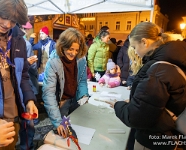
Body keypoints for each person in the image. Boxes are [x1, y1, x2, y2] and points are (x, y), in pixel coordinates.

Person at [106, 22, 186, 150]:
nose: (136, 52)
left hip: (153, 140)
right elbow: (154, 103)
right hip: (168, 136)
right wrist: (136, 101)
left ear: (144, 42)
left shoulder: (157, 71)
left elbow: (137, 117)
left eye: (134, 46)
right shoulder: (171, 61)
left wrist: (118, 105)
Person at [0, 0, 38, 149]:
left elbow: (23, 75)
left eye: (13, 21)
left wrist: (29, 99)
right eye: (3, 16)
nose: (7, 24)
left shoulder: (18, 40)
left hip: (13, 119)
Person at [42, 28, 89, 138]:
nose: (73, 53)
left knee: (79, 130)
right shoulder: (53, 62)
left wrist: (83, 95)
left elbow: (82, 81)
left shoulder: (81, 59)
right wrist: (57, 122)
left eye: (76, 50)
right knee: (62, 133)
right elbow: (48, 93)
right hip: (61, 102)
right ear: (63, 46)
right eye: (71, 49)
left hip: (75, 100)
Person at [19, 23, 39, 150]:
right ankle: (27, 146)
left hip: (21, 86)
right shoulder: (25, 43)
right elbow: (30, 67)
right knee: (27, 120)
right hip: (25, 84)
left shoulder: (22, 43)